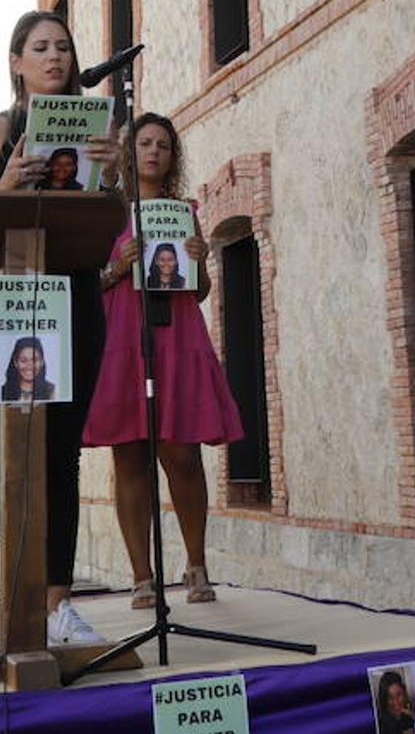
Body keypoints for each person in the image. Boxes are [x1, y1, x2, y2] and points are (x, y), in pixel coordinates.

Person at [0, 11, 119, 657]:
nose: (55, 57)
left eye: (65, 48)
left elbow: (111, 224)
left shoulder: (97, 126)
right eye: (41, 48)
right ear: (16, 61)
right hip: (4, 297)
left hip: (73, 291)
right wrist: (8, 184)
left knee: (61, 457)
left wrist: (115, 173)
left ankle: (59, 605)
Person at [83, 113, 242, 609]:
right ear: (129, 153)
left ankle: (196, 566)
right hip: (120, 337)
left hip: (175, 337)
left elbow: (198, 291)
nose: (153, 152)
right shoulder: (105, 211)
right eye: (145, 143)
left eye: (164, 146)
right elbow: (85, 280)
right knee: (128, 455)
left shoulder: (183, 211)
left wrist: (199, 259)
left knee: (182, 455)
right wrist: (116, 267)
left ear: (172, 159)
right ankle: (141, 577)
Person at [0, 336, 56, 402]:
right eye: (23, 360)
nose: (29, 366)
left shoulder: (52, 391)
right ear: (15, 362)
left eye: (34, 360)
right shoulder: (4, 391)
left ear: (42, 362)